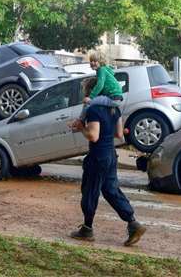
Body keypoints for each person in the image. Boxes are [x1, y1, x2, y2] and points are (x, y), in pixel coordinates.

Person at [68, 54, 146, 246]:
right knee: (110, 189)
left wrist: (81, 129)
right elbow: (120, 134)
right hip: (111, 155)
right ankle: (133, 223)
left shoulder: (94, 109)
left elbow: (93, 135)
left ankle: (87, 229)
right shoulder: (114, 109)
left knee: (90, 191)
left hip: (98, 156)